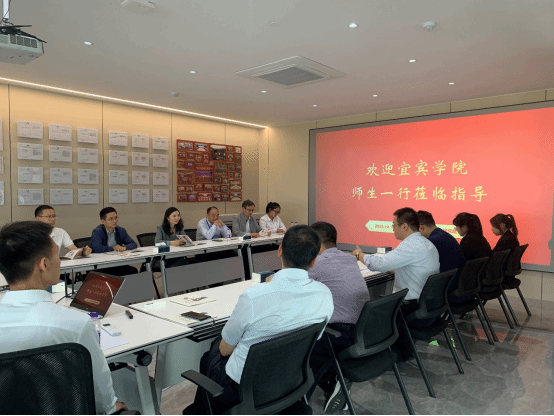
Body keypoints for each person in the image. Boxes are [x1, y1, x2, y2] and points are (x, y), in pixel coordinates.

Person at [186, 225, 333, 414]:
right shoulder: (324, 294)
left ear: (279, 250)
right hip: (290, 380)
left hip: (244, 389)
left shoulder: (254, 296)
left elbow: (225, 350)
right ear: (313, 261)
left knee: (212, 352)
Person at [0, 221, 127, 415]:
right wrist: (111, 407)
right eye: (56, 256)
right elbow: (100, 390)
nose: (60, 261)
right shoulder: (75, 324)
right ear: (44, 264)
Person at [309, 221, 370, 413]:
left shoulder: (318, 264)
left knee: (299, 347)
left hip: (340, 336)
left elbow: (290, 283)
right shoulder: (349, 259)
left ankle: (333, 381)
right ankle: (337, 381)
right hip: (362, 332)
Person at [352, 207, 439, 302]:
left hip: (411, 303)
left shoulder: (409, 246)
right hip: (428, 300)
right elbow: (411, 268)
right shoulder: (428, 244)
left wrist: (359, 254)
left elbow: (380, 264)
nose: (393, 229)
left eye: (394, 225)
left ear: (404, 226)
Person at [417, 210, 465, 293]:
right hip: (456, 283)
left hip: (446, 288)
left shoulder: (432, 242)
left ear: (421, 228)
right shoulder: (443, 235)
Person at [91, 207, 138, 276]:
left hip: (117, 263)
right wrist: (113, 248)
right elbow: (97, 248)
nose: (114, 221)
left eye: (116, 218)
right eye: (111, 219)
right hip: (102, 265)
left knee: (133, 271)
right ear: (103, 221)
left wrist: (124, 247)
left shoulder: (121, 230)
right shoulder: (97, 232)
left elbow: (133, 244)